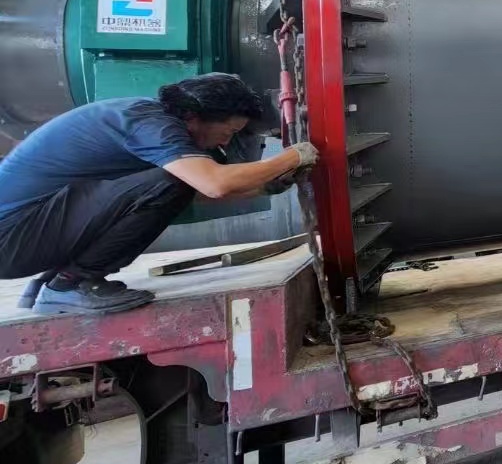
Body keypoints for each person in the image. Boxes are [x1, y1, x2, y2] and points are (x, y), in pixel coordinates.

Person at [0, 73, 317, 313]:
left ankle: (59, 281)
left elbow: (193, 192)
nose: (226, 141)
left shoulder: (148, 118)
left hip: (24, 232)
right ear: (195, 117)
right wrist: (293, 156)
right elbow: (212, 184)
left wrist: (264, 186)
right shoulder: (152, 125)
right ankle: (71, 283)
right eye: (228, 131)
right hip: (12, 237)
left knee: (174, 183)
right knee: (173, 181)